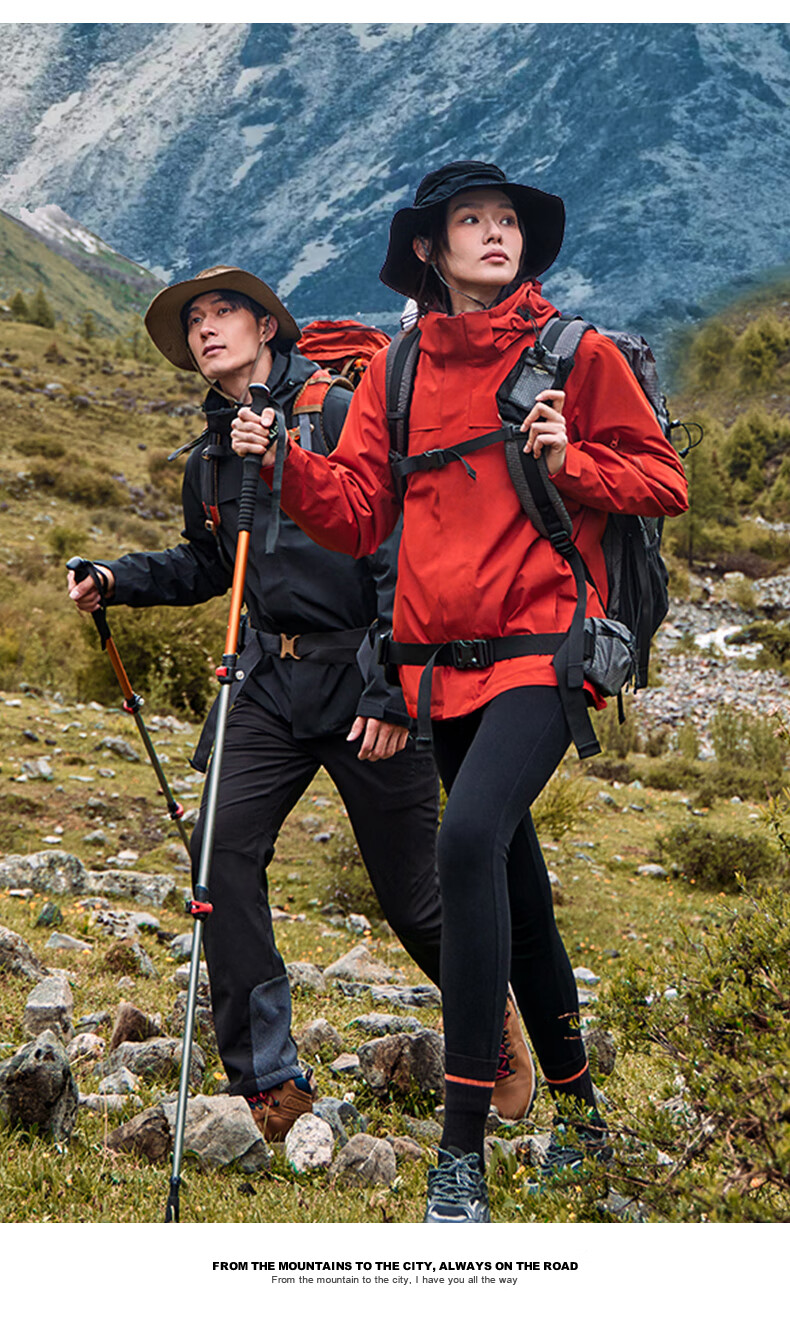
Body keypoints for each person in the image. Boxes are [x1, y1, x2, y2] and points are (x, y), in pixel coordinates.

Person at [230, 162, 689, 1221]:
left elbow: (660, 478)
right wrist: (281, 464)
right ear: (429, 253)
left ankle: (460, 1152)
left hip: (546, 648)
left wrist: (574, 460)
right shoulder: (396, 373)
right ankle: (580, 1120)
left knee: (465, 840)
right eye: (470, 222)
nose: (496, 234)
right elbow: (353, 513)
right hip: (439, 670)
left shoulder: (577, 353)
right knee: (516, 895)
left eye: (507, 221)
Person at [67, 264, 536, 1144]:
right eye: (195, 321)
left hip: (366, 676)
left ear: (266, 328)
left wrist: (397, 684)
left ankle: (491, 1028)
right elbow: (210, 564)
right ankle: (270, 1082)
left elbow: (404, 549)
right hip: (266, 685)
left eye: (223, 313)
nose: (207, 329)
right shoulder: (211, 453)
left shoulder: (335, 414)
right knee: (218, 856)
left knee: (418, 901)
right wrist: (116, 579)